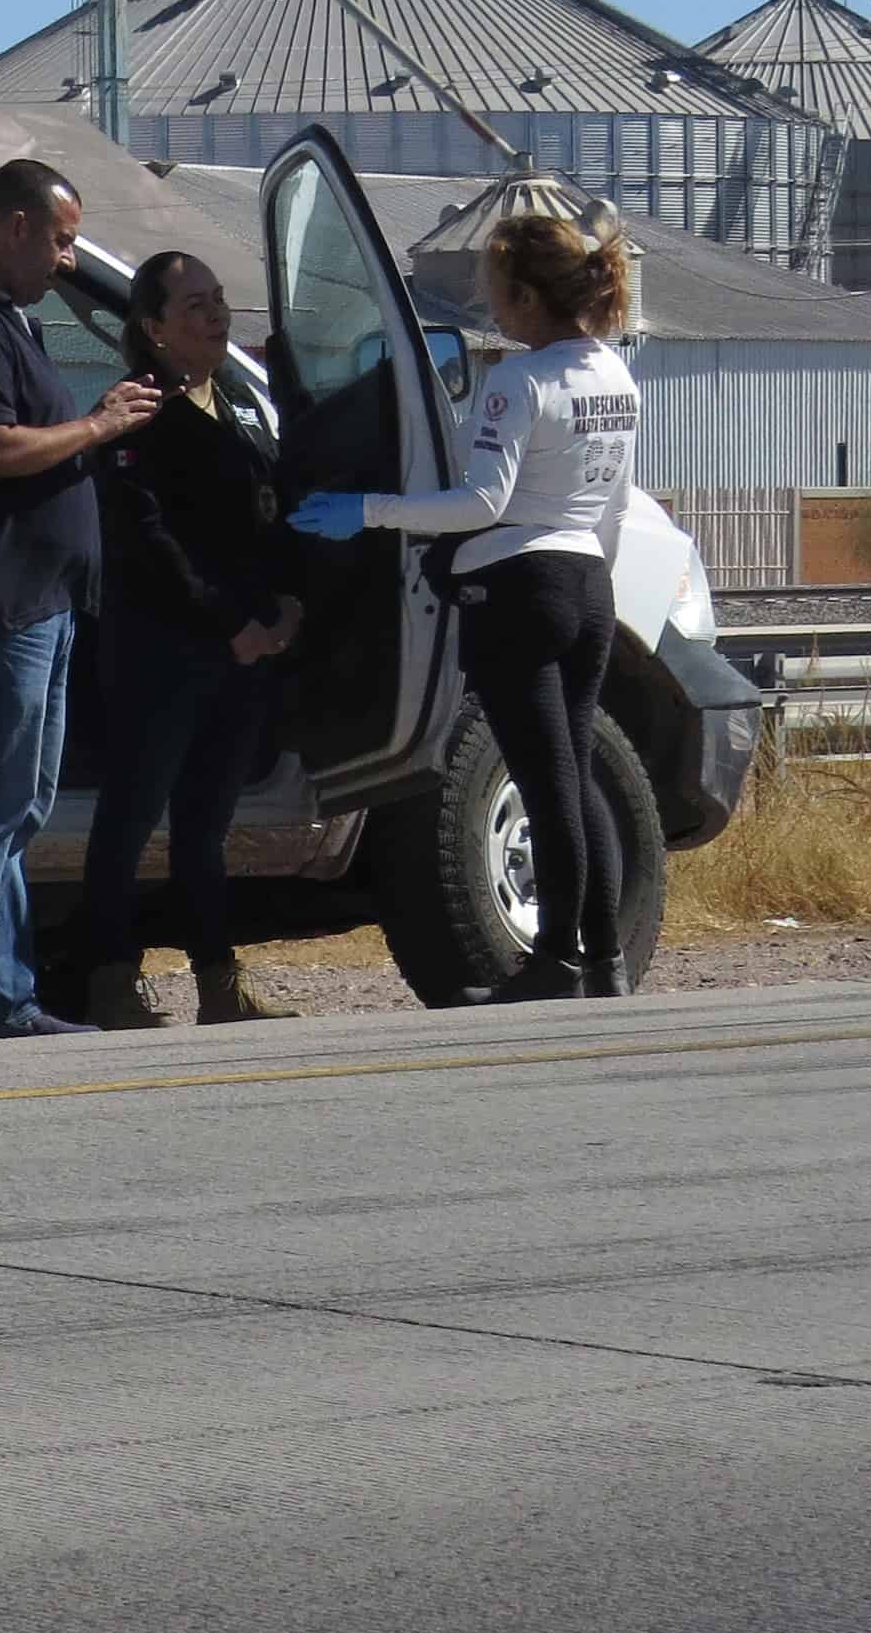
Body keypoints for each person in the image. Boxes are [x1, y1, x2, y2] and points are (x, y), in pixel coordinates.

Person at [294, 209, 643, 1002]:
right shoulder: (615, 375)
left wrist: (370, 510)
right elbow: (616, 504)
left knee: (544, 778)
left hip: (519, 589)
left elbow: (482, 502)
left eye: (493, 292)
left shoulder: (516, 382)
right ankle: (606, 958)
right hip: (589, 583)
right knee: (576, 775)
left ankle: (554, 958)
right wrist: (597, 584)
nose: (489, 308)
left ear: (525, 295)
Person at [0, 158, 162, 1043]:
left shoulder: (10, 327)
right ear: (12, 227)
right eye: (59, 239)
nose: (67, 259)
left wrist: (92, 427)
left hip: (39, 606)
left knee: (21, 806)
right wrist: (99, 424)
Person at [82, 251, 302, 1029]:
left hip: (241, 650)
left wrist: (284, 608)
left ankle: (219, 981)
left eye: (218, 299)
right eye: (196, 305)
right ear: (154, 328)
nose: (216, 315)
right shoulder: (136, 413)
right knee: (132, 816)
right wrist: (229, 624)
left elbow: (266, 519)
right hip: (164, 652)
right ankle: (109, 978)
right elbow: (151, 541)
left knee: (205, 826)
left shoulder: (239, 407)